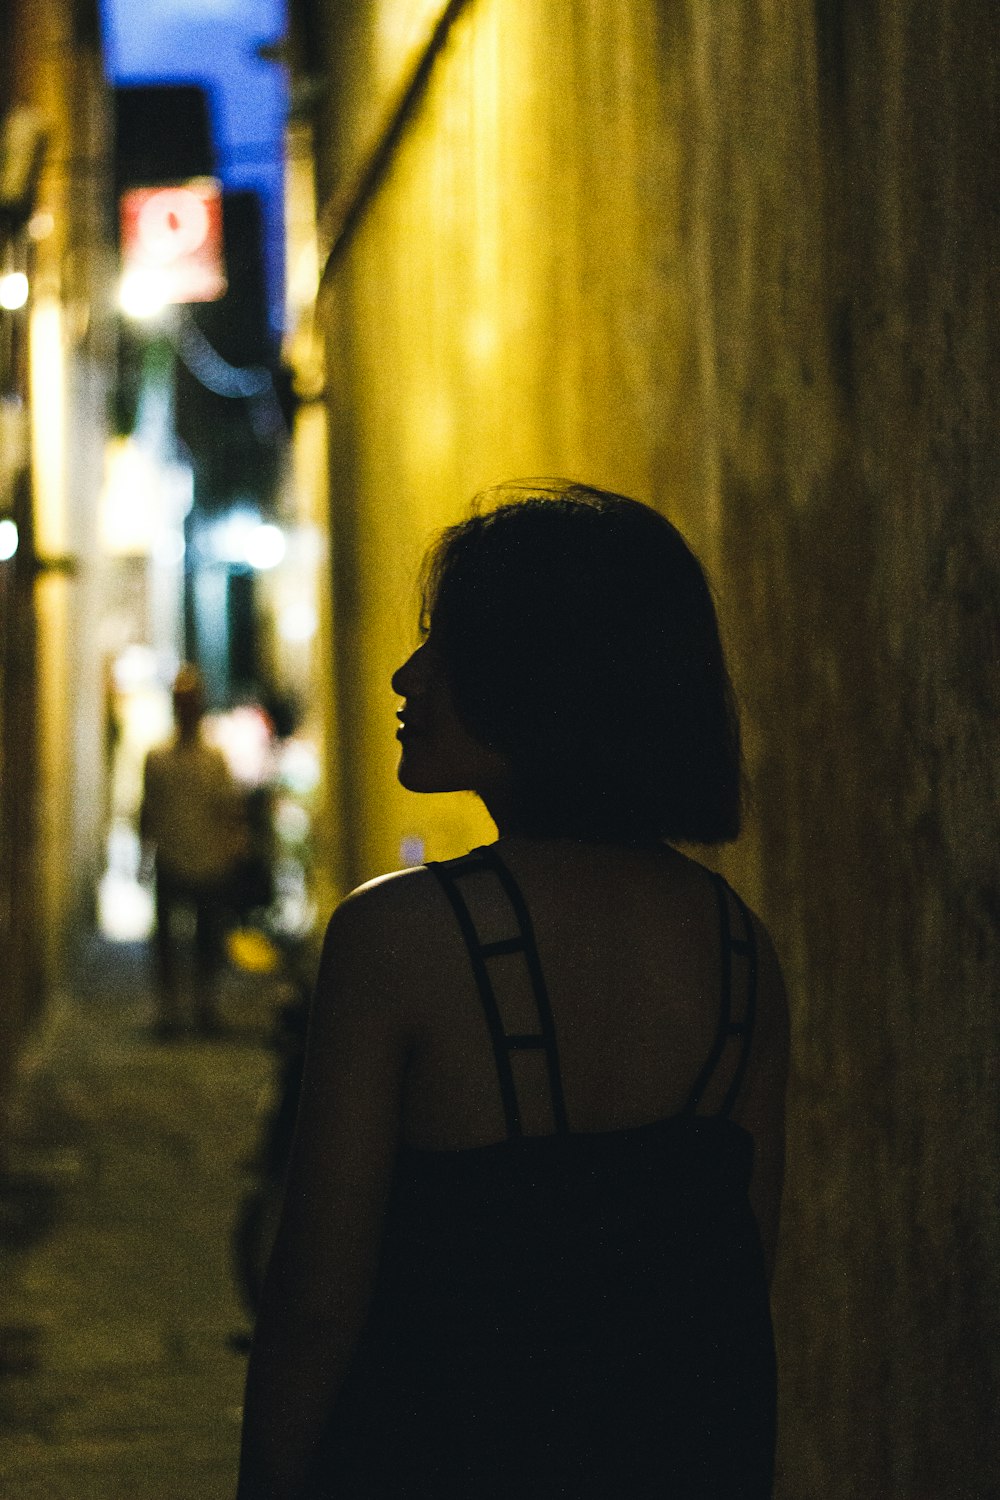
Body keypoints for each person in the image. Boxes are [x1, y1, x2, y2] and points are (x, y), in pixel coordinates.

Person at [236, 482, 789, 1498]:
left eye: (442, 645)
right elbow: (736, 1284)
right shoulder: (740, 954)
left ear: (535, 676)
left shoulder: (398, 942)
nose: (407, 676)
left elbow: (317, 1302)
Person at [140, 664, 246, 1037]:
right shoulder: (157, 758)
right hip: (171, 857)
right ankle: (169, 1011)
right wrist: (144, 857)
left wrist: (232, 847)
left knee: (206, 940)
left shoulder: (213, 759)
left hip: (208, 860)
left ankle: (204, 1007)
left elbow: (227, 809)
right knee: (167, 943)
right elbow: (148, 809)